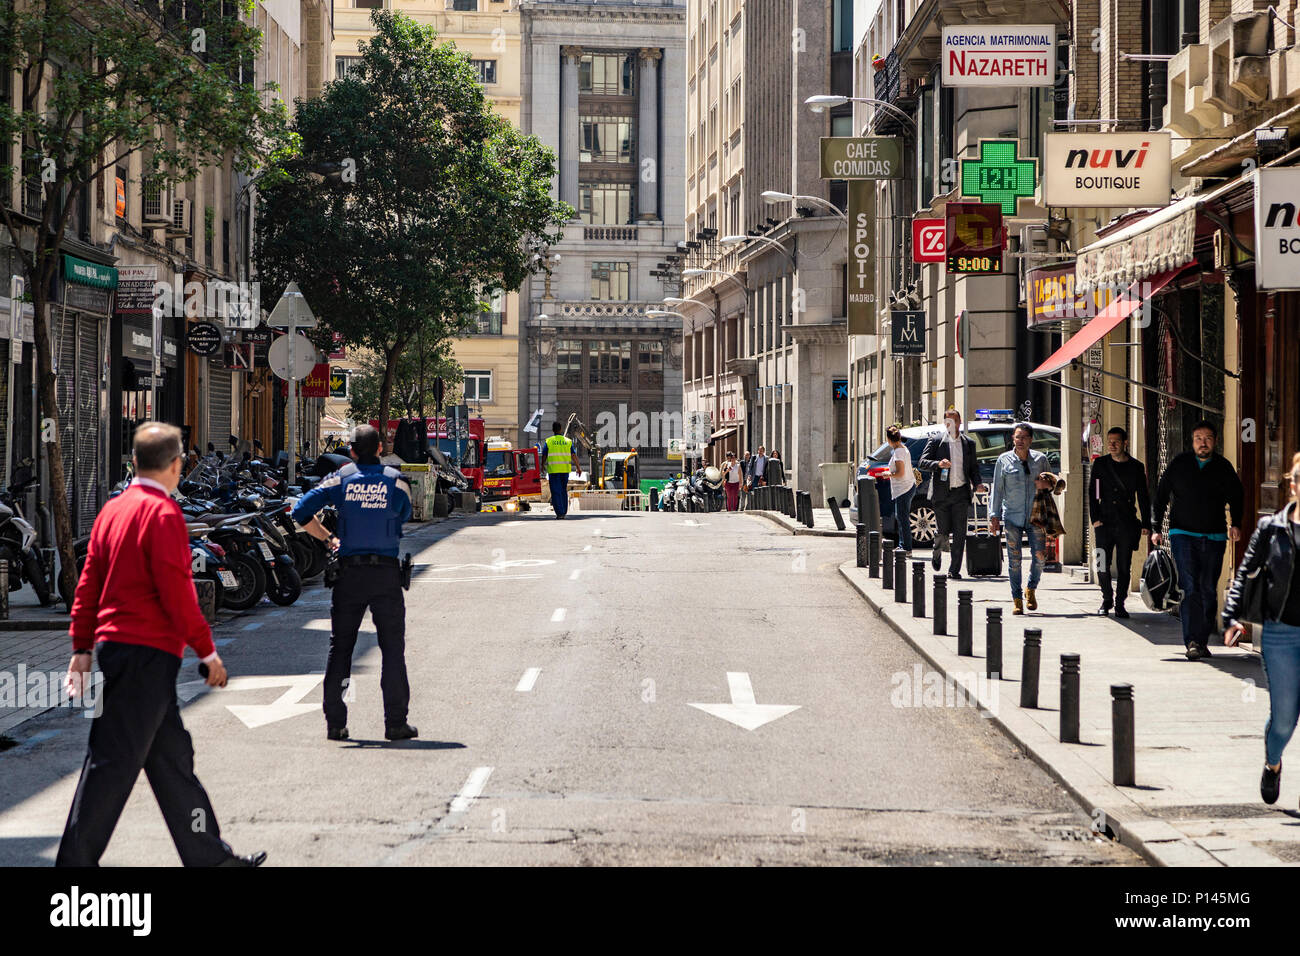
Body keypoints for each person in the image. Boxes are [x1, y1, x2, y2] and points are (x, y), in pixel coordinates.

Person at [57, 422, 264, 867]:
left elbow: (88, 583)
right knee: (109, 767)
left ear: (134, 463)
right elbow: (177, 591)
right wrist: (207, 652)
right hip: (145, 655)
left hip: (124, 652)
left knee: (172, 762)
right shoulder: (164, 514)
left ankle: (210, 857)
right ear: (175, 465)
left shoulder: (113, 511)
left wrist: (81, 645)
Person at [292, 423, 417, 741]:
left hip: (348, 573)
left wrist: (329, 538)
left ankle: (336, 724)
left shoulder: (340, 478)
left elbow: (301, 510)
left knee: (341, 648)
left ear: (351, 451)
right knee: (392, 649)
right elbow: (403, 515)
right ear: (380, 450)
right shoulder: (397, 482)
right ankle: (395, 723)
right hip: (386, 574)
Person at [1224, 453, 1300, 804]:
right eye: (1299, 478)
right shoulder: (1272, 527)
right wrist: (1231, 616)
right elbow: (1245, 571)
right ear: (1292, 484)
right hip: (1281, 633)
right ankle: (1273, 764)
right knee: (1284, 719)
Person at [1151, 420, 1245, 660]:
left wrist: (1236, 523)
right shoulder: (1179, 464)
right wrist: (1155, 527)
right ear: (1192, 442)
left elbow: (1237, 496)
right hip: (1182, 534)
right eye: (1198, 438)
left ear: (1215, 441)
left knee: (1207, 589)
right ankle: (1192, 641)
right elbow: (1161, 495)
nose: (1203, 443)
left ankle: (1201, 640)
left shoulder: (1223, 467)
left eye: (1207, 438)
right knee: (1190, 587)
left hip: (1214, 536)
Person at [1088, 426, 1152, 618]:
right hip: (1104, 522)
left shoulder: (1136, 467)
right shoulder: (1100, 465)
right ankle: (1106, 598)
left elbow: (1143, 496)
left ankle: (1120, 603)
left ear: (1125, 442)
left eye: (1116, 441)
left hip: (1126, 523)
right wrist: (1096, 519)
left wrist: (1147, 523)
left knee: (1124, 566)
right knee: (1101, 563)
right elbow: (1095, 492)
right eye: (1109, 441)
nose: (1112, 445)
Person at [990, 422, 1050, 615]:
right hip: (1012, 516)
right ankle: (1017, 599)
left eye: (1024, 437)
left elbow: (1053, 484)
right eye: (1017, 437)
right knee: (1014, 560)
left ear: (1031, 440)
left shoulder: (1040, 460)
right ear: (1013, 439)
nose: (1020, 440)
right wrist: (994, 516)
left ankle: (1031, 589)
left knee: (1039, 557)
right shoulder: (1004, 460)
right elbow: (997, 489)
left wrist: (1046, 484)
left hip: (1036, 516)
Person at [920, 410, 986, 580]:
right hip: (941, 495)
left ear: (959, 422)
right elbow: (922, 462)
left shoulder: (968, 443)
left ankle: (954, 569)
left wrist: (977, 483)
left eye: (955, 421)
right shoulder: (936, 441)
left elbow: (973, 468)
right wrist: (938, 464)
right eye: (948, 421)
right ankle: (937, 550)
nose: (952, 424)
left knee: (959, 533)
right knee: (942, 531)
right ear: (945, 423)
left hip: (961, 494)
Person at [885, 425, 916, 555]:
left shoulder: (898, 452)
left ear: (889, 439)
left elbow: (900, 473)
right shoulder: (903, 448)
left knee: (902, 518)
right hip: (907, 486)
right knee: (902, 517)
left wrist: (888, 475)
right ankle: (904, 545)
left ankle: (906, 548)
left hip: (903, 487)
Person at [542, 421, 580, 520]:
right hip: (565, 471)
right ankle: (564, 511)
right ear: (560, 429)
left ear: (553, 430)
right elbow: (573, 455)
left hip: (554, 471)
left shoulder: (549, 441)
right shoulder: (567, 441)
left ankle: (560, 513)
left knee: (555, 492)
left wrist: (542, 465)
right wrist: (578, 467)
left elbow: (544, 455)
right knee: (563, 490)